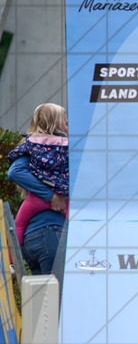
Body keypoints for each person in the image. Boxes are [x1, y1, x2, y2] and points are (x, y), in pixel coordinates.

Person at [7, 104, 69, 279]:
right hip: (51, 234)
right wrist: (52, 196)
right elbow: (15, 171)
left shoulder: (32, 145)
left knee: (42, 301)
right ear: (57, 124)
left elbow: (14, 166)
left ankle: (11, 262)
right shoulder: (68, 148)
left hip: (32, 237)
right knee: (57, 300)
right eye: (65, 123)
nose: (68, 127)